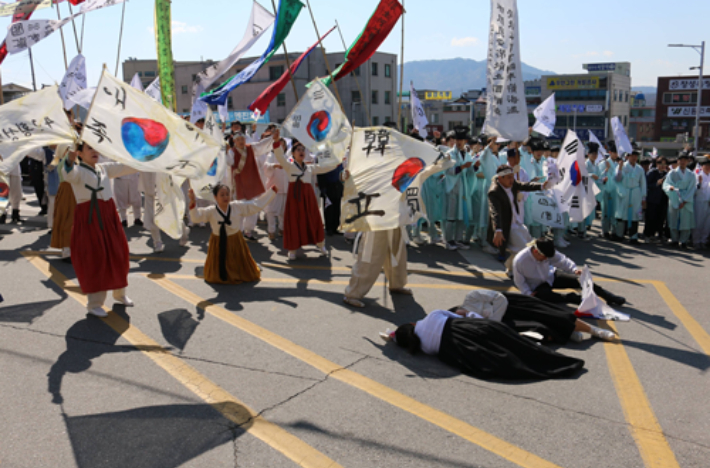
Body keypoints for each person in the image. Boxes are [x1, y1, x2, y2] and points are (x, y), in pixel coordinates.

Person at [387, 308, 585, 381]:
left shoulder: (424, 348)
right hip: (468, 329)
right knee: (510, 339)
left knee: (504, 356)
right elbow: (460, 315)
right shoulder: (431, 316)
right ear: (412, 324)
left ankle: (560, 364)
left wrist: (392, 337)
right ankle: (546, 344)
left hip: (460, 349)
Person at [59, 142, 135, 317]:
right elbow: (67, 174)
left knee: (118, 253)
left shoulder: (104, 168)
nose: (94, 152)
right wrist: (69, 159)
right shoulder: (77, 171)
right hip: (89, 219)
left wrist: (148, 159)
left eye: (95, 148)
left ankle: (120, 293)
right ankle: (94, 303)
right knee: (95, 258)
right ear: (79, 153)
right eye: (89, 149)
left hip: (109, 216)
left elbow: (126, 167)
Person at [450, 289, 617, 342]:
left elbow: (499, 299)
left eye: (458, 313)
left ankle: (595, 331)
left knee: (552, 314)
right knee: (537, 329)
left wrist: (493, 320)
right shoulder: (469, 321)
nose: (461, 315)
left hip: (512, 303)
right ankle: (568, 332)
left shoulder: (471, 297)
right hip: (506, 318)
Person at [188, 184, 275, 284]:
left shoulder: (236, 206)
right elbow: (196, 217)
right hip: (218, 241)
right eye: (222, 195)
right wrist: (193, 202)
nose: (225, 197)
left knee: (243, 269)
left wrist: (271, 193)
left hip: (235, 240)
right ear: (215, 197)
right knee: (214, 275)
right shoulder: (211, 210)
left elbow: (255, 205)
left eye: (227, 194)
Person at [271, 131, 333, 260]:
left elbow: (323, 167)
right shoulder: (289, 166)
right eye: (298, 149)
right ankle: (292, 250)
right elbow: (280, 157)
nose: (301, 151)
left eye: (302, 149)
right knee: (294, 221)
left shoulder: (310, 168)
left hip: (308, 197)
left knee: (313, 219)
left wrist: (337, 162)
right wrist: (276, 142)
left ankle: (321, 245)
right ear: (293, 153)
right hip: (294, 197)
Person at [513, 237, 626, 306]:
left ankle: (609, 297)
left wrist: (574, 269)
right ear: (536, 252)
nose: (547, 260)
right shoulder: (520, 260)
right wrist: (527, 293)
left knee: (579, 280)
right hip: (536, 285)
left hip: (551, 275)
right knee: (544, 297)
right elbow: (519, 281)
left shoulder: (546, 251)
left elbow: (561, 260)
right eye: (545, 258)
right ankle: (572, 298)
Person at [488, 164, 548, 277]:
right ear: (501, 178)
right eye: (509, 177)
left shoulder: (511, 183)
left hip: (517, 221)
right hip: (506, 226)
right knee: (522, 250)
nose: (512, 180)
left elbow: (525, 185)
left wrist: (541, 186)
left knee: (528, 244)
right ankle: (518, 272)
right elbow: (495, 212)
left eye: (512, 176)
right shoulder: (494, 191)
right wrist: (498, 230)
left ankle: (510, 269)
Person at [226, 131, 274, 241]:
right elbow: (229, 162)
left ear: (245, 140)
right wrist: (226, 151)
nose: (241, 142)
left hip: (251, 181)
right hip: (239, 183)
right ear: (234, 141)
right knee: (240, 207)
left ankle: (248, 231)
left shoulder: (250, 148)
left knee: (253, 207)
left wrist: (272, 137)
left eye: (242, 139)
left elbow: (261, 144)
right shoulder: (232, 152)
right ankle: (239, 231)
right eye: (238, 140)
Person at [443, 126, 474, 250]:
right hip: (453, 188)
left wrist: (474, 167)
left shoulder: (467, 153)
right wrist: (462, 167)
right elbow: (447, 170)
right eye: (457, 139)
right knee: (451, 215)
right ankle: (449, 240)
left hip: (463, 187)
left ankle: (458, 239)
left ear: (465, 141)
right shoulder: (450, 153)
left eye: (462, 139)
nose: (459, 142)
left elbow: (469, 171)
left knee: (461, 214)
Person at [663, 152, 697, 249]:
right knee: (673, 219)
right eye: (681, 160)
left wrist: (685, 201)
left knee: (686, 220)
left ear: (687, 162)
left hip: (686, 198)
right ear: (678, 161)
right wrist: (670, 187)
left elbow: (692, 188)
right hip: (674, 197)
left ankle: (684, 241)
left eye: (685, 160)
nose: (683, 162)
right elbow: (666, 184)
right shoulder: (672, 173)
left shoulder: (691, 174)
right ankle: (674, 239)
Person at [614, 150, 647, 244]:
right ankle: (619, 235)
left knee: (635, 215)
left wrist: (643, 197)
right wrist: (619, 168)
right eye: (632, 155)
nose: (634, 158)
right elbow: (617, 179)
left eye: (636, 156)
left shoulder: (640, 168)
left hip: (636, 193)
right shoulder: (622, 166)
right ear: (627, 156)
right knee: (621, 213)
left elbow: (643, 183)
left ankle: (633, 237)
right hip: (624, 192)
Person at [598, 141, 621, 239]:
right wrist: (606, 170)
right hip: (606, 191)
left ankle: (613, 231)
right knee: (605, 212)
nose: (616, 155)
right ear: (610, 152)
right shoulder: (604, 163)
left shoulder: (617, 164)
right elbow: (600, 176)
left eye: (617, 153)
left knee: (614, 212)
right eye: (614, 152)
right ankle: (605, 231)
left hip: (615, 192)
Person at [643, 156, 669, 243]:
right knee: (650, 217)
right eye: (661, 164)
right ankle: (647, 235)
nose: (663, 166)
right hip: (652, 199)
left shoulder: (666, 174)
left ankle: (654, 235)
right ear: (657, 164)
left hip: (662, 200)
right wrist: (656, 184)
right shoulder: (652, 172)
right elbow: (646, 185)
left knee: (660, 218)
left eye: (664, 164)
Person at [693, 156, 710, 249]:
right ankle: (696, 241)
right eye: (706, 165)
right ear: (702, 166)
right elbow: (694, 191)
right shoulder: (698, 175)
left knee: (707, 224)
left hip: (709, 203)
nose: (708, 167)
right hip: (699, 202)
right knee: (698, 222)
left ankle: (704, 240)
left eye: (709, 165)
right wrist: (699, 184)